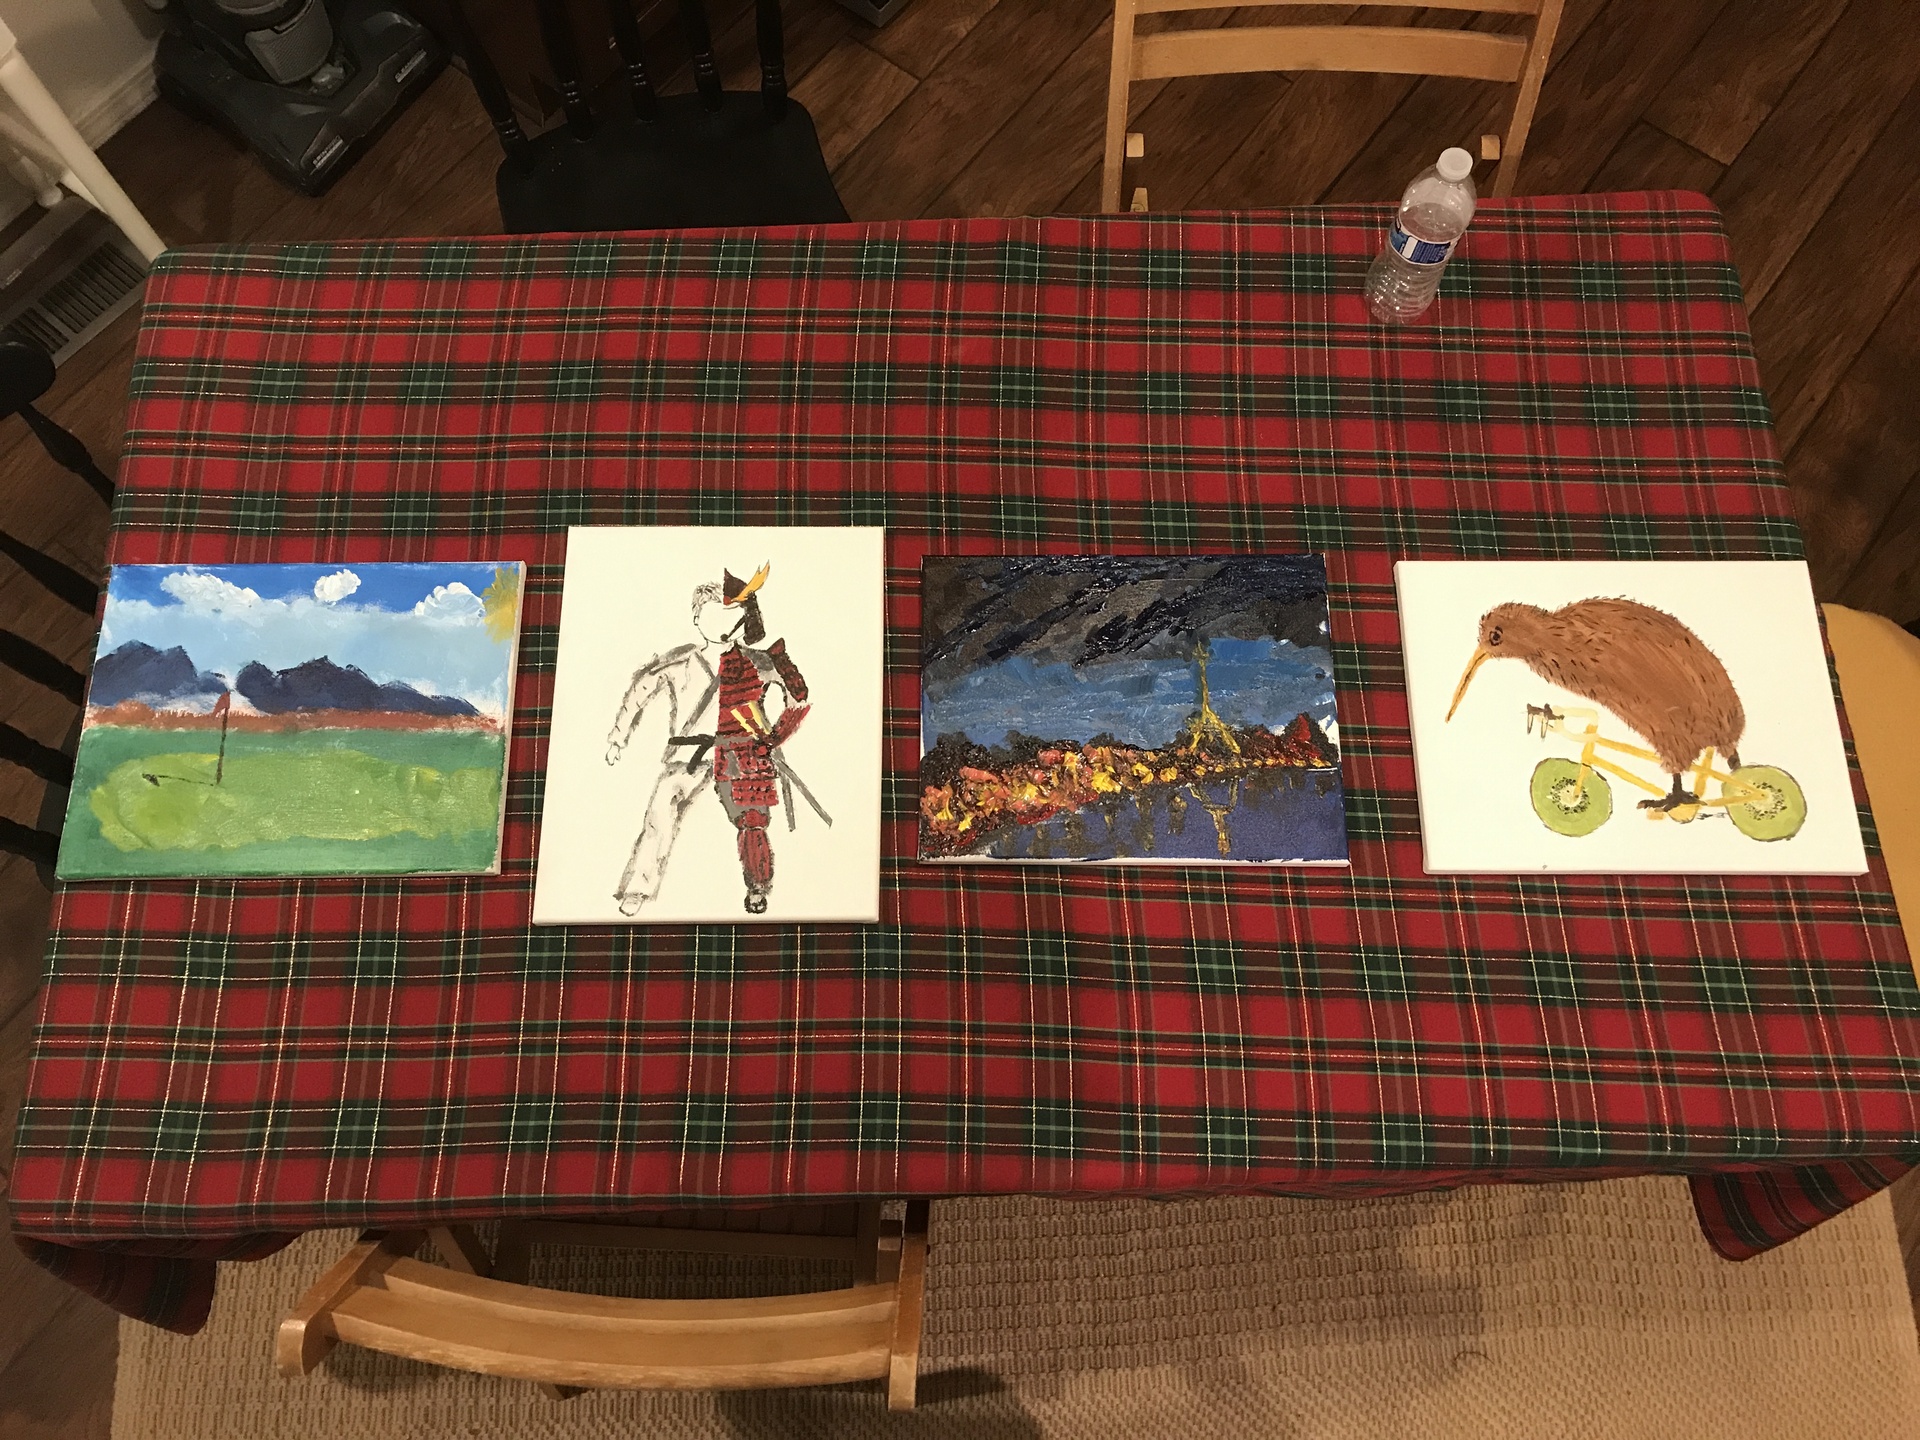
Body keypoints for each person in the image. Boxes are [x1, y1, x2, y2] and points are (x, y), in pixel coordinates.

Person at [606, 564, 811, 915]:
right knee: (659, 812)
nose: (724, 622)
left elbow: (799, 697)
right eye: (715, 613)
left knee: (752, 821)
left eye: (732, 613)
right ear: (697, 617)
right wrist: (618, 736)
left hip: (742, 755)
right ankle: (638, 887)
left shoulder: (759, 662)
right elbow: (641, 689)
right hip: (688, 755)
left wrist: (776, 737)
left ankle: (758, 886)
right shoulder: (680, 662)